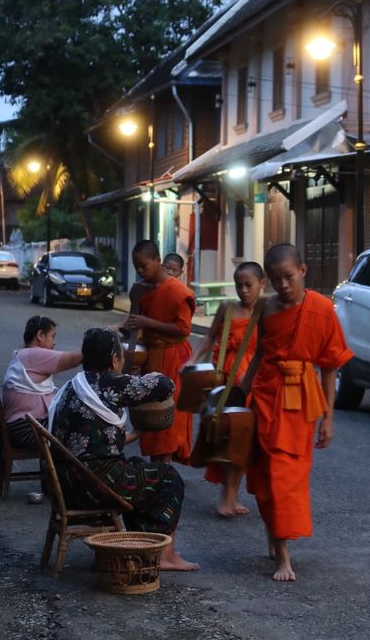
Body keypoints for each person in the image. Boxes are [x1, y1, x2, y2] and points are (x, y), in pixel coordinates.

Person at [241, 244, 353, 582]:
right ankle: (279, 545)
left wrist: (329, 417)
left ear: (303, 271)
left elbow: (330, 366)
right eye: (276, 280)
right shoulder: (266, 309)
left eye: (289, 277)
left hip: (302, 402)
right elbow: (259, 354)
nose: (283, 285)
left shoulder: (321, 309)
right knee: (266, 477)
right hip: (265, 395)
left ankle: (283, 550)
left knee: (288, 478)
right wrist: (239, 395)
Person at [50, 328, 199, 571]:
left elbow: (97, 441)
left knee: (141, 467)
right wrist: (139, 374)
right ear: (113, 359)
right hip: (97, 485)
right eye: (120, 355)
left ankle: (143, 547)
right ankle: (165, 553)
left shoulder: (72, 387)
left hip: (67, 482)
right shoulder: (110, 385)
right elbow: (165, 386)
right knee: (168, 478)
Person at [187, 261, 265, 518]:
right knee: (226, 437)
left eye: (248, 285)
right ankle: (226, 496)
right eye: (239, 285)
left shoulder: (267, 311)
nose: (243, 290)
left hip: (253, 381)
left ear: (261, 285)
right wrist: (194, 360)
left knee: (244, 439)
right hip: (227, 379)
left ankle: (232, 494)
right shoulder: (227, 308)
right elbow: (209, 337)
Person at [123, 240, 195, 464]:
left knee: (167, 420)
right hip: (151, 359)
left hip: (173, 357)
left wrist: (147, 321)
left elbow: (183, 328)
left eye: (144, 265)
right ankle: (158, 473)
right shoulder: (140, 290)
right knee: (151, 416)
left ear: (158, 262)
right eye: (137, 267)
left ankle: (163, 476)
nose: (141, 271)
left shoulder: (177, 291)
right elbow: (134, 327)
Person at [2, 315, 81, 449]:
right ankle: (63, 469)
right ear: (40, 335)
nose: (54, 342)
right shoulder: (34, 355)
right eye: (52, 336)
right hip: (27, 431)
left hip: (22, 428)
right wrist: (103, 338)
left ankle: (56, 469)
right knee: (81, 435)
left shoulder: (23, 354)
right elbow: (77, 358)